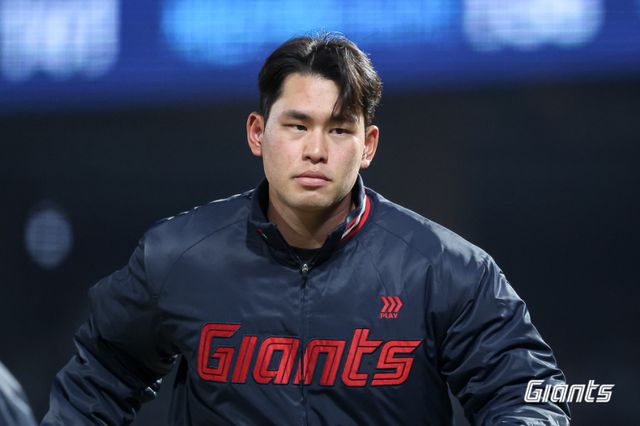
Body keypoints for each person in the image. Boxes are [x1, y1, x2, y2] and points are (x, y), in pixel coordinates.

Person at [43, 33, 571, 425]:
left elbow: (528, 389)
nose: (316, 150)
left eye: (339, 129)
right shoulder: (178, 255)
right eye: (297, 125)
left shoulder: (445, 268)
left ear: (368, 146)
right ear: (258, 133)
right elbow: (101, 372)